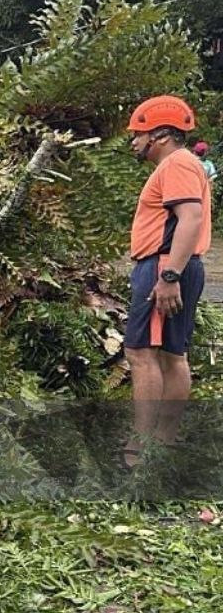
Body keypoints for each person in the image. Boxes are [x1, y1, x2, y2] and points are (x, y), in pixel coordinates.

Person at [123, 95, 212, 469]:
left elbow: (190, 218)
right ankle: (163, 443)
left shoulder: (176, 164)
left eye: (138, 134)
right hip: (177, 264)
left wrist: (169, 276)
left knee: (141, 354)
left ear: (160, 135)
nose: (134, 142)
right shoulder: (185, 164)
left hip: (165, 265)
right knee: (172, 355)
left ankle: (139, 450)